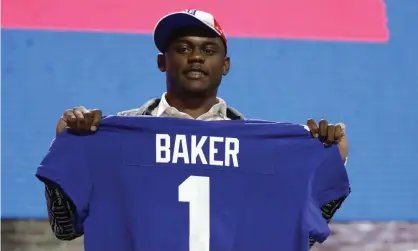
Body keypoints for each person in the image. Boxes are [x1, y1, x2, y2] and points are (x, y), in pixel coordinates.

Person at [44, 9, 349, 248]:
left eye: (208, 49)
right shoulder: (110, 137)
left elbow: (296, 238)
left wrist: (326, 159)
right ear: (162, 61)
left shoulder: (263, 152)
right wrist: (68, 147)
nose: (196, 57)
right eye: (183, 48)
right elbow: (65, 227)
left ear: (225, 64)